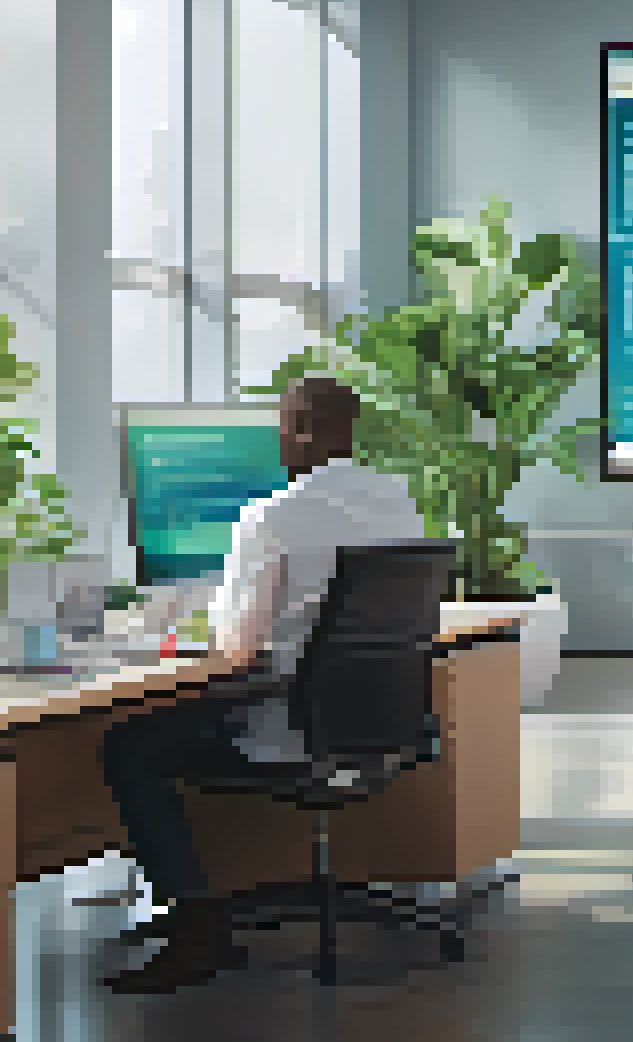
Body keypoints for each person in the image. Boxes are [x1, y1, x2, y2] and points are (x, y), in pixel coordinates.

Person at [99, 377, 427, 995]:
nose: (279, 437)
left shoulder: (273, 515)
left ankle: (196, 924)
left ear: (300, 429)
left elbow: (237, 646)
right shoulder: (395, 500)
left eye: (283, 423)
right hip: (376, 725)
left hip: (291, 729)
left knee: (128, 746)